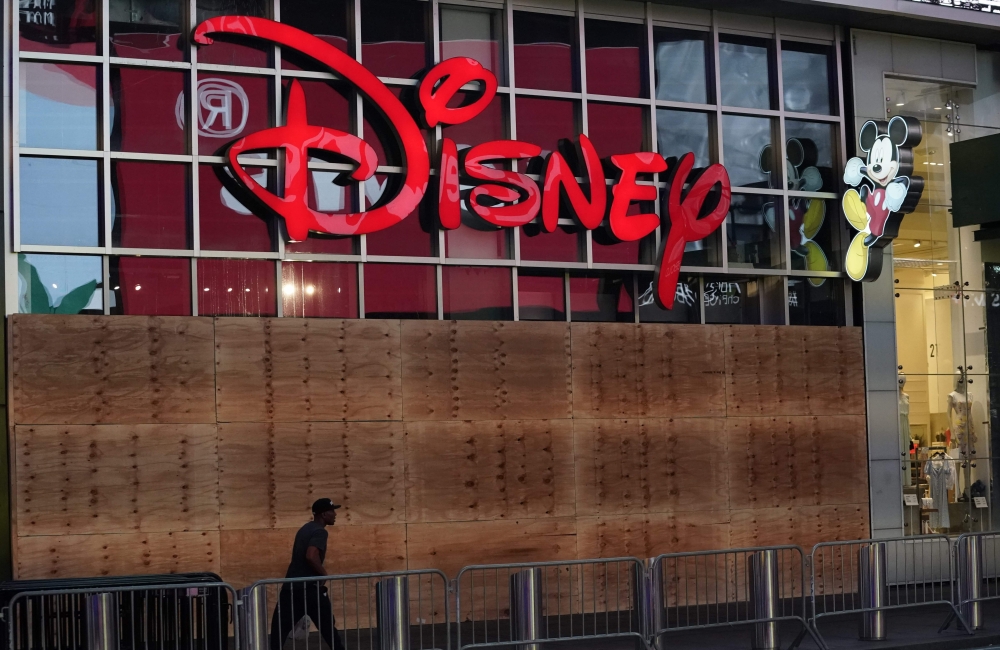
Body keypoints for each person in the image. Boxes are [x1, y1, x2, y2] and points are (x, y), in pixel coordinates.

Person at [270, 498, 347, 650]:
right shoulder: (320, 531)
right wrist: (323, 574)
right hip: (309, 590)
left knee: (279, 631)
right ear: (324, 514)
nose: (335, 514)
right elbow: (311, 555)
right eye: (332, 511)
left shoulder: (305, 528)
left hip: (291, 588)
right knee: (328, 629)